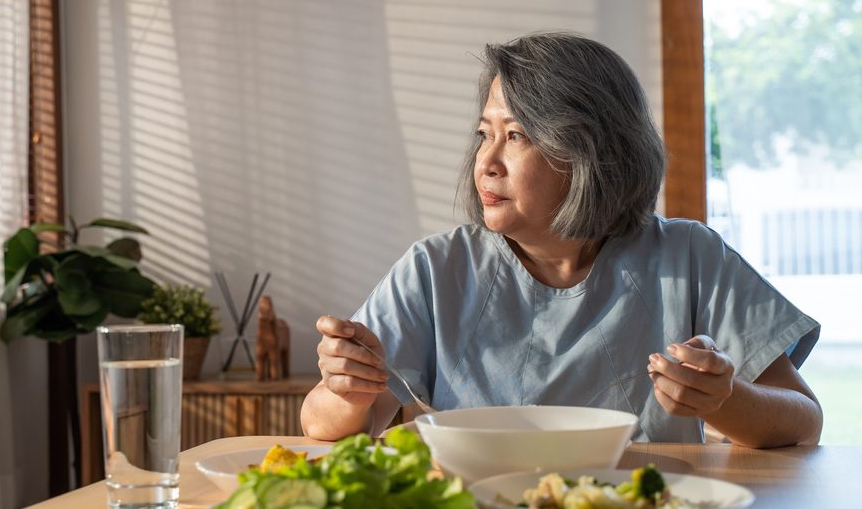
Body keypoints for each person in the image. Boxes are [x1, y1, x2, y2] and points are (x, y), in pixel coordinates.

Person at [299, 32, 822, 447]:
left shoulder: (691, 256)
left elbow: (803, 421)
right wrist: (347, 390)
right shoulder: (435, 269)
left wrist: (723, 400)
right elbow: (322, 426)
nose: (486, 161)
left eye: (517, 135)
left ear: (590, 152)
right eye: (485, 134)